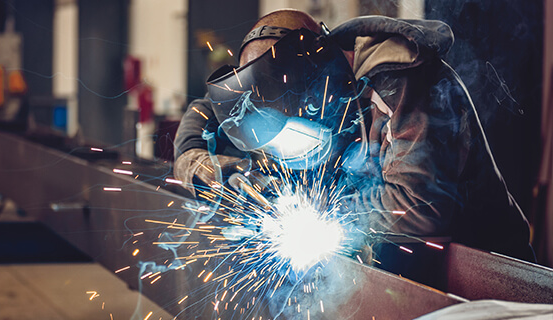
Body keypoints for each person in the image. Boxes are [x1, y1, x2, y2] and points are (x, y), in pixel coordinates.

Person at [173, 9, 534, 262]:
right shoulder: (304, 82)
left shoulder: (403, 80)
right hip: (402, 266)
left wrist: (315, 213)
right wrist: (195, 158)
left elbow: (417, 205)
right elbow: (206, 109)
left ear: (315, 81)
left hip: (485, 274)